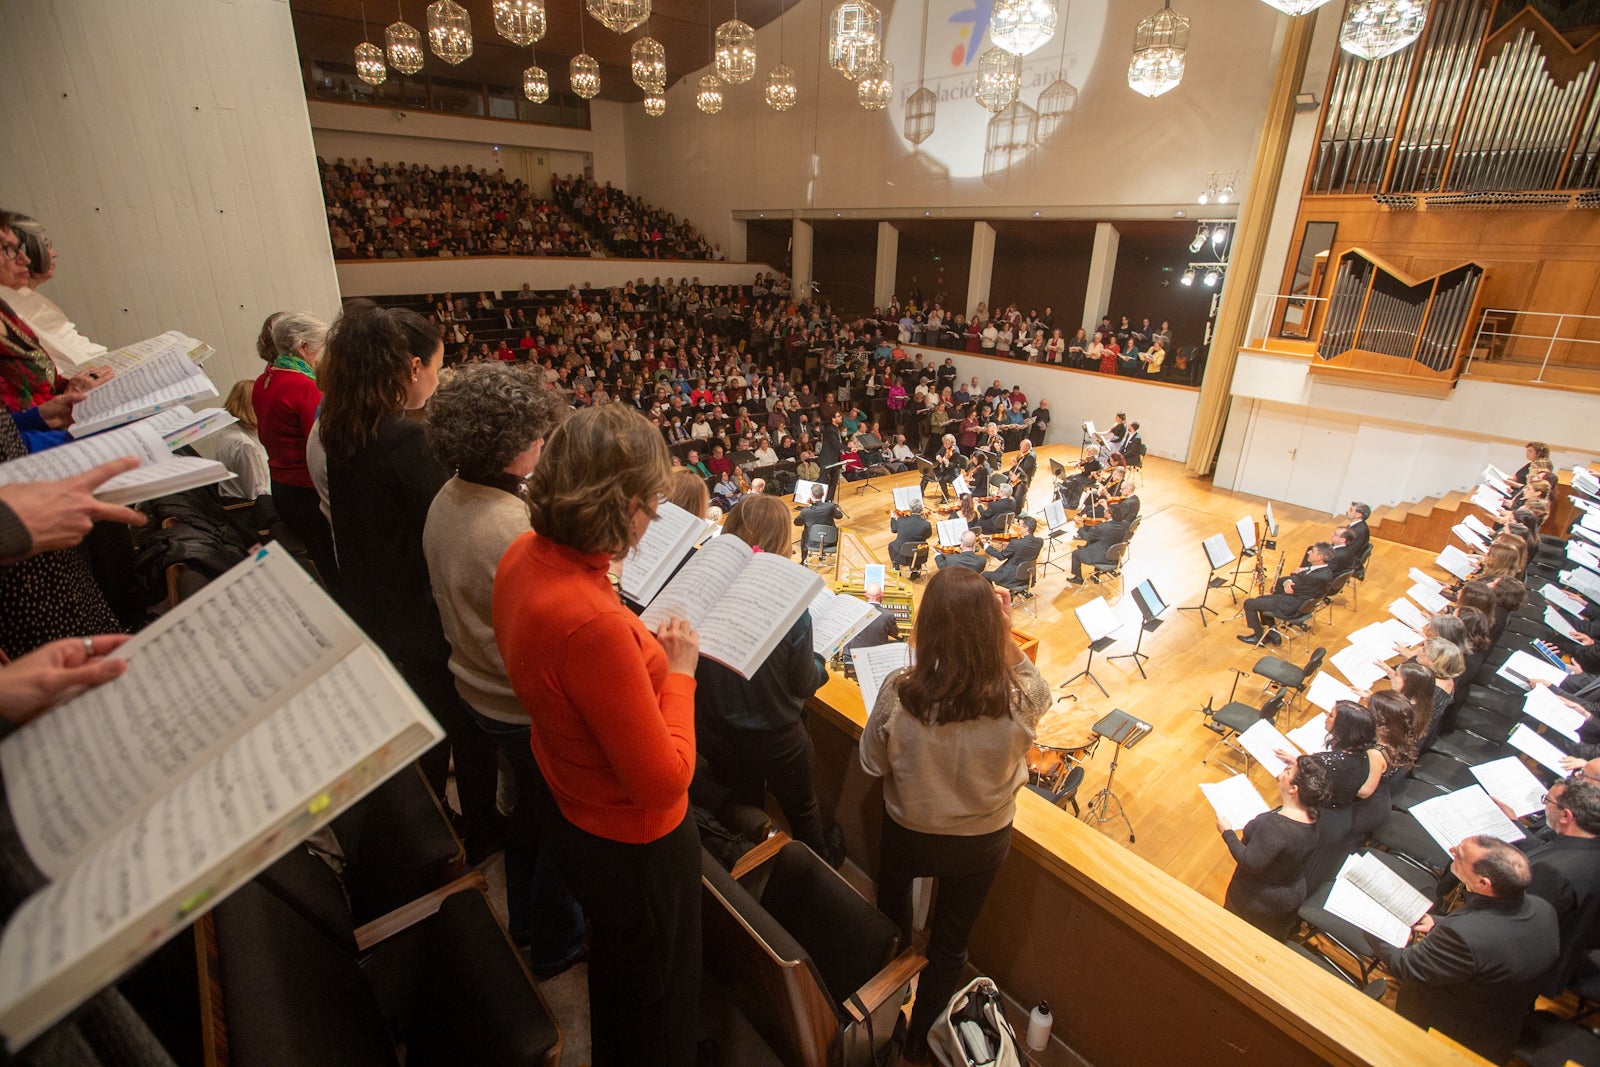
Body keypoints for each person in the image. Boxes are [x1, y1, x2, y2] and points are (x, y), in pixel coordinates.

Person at [495, 404, 703, 1067]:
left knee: (622, 967)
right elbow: (664, 777)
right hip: (635, 842)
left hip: (573, 809)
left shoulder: (524, 554)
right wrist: (679, 674)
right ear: (624, 507)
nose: (650, 523)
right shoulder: (590, 621)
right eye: (651, 506)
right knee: (661, 995)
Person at [318, 300, 501, 859]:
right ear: (409, 368)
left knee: (423, 722)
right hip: (416, 611)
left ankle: (431, 826)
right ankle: (474, 834)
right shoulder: (400, 438)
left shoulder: (342, 421)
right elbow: (447, 516)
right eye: (437, 368)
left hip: (372, 599)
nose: (437, 379)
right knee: (462, 725)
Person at [420, 362, 583, 977]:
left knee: (525, 819)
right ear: (512, 445)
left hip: (476, 689)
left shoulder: (449, 495)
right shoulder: (512, 526)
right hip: (517, 703)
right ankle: (558, 942)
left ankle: (523, 921)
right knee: (558, 834)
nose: (543, 445)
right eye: (537, 437)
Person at [858, 568, 1051, 1060]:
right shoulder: (1019, 699)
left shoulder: (901, 692)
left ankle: (891, 989)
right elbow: (1038, 685)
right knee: (950, 944)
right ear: (994, 628)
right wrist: (1004, 633)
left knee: (893, 905)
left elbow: (869, 763)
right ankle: (922, 1043)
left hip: (910, 831)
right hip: (983, 840)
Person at [697, 495, 838, 864]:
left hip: (716, 730)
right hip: (777, 740)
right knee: (803, 814)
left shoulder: (705, 586)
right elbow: (805, 682)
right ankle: (818, 882)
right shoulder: (790, 606)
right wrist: (821, 661)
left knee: (746, 812)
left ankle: (756, 872)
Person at [1373, 836, 1558, 1063]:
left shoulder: (1465, 935)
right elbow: (1495, 938)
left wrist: (1372, 924)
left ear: (1483, 883)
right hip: (1500, 1019)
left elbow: (1407, 967)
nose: (1451, 851)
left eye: (1460, 855)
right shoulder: (1543, 908)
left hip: (1446, 1030)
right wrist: (1439, 924)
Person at [254, 310, 340, 590]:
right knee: (332, 564)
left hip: (281, 487)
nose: (321, 356)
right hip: (307, 491)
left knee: (319, 558)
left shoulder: (264, 381)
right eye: (319, 348)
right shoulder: (303, 386)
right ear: (303, 347)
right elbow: (322, 445)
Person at [1217, 755, 1330, 937]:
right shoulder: (1312, 815)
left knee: (1233, 935)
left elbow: (1250, 862)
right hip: (1288, 891)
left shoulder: (1277, 827)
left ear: (1294, 788)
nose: (1282, 772)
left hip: (1257, 898)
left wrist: (1227, 833)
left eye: (1287, 771)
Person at [1238, 542, 1334, 644]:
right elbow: (1297, 581)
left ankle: (1258, 637)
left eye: (1313, 551)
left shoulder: (1314, 577)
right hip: (1300, 602)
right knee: (1260, 600)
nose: (1309, 552)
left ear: (1320, 557)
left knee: (1249, 603)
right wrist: (1292, 580)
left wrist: (1288, 582)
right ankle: (1273, 634)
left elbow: (1290, 588)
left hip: (1291, 606)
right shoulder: (1325, 572)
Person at [212, 379, 274, 524]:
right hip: (250, 514)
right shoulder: (245, 444)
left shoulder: (228, 433)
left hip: (237, 508)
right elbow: (257, 493)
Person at [1068, 500, 1133, 584]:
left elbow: (1087, 537)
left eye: (1106, 510)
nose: (1104, 511)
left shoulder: (1103, 527)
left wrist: (1080, 527)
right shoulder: (1125, 525)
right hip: (1116, 556)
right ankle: (1096, 574)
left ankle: (1078, 578)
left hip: (1103, 557)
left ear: (1110, 515)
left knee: (1076, 553)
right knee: (1092, 544)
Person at [984, 514, 1042, 591]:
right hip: (1028, 575)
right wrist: (1010, 545)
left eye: (1020, 525)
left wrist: (986, 546)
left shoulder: (1016, 543)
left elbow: (1001, 556)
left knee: (984, 575)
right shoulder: (1040, 541)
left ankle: (992, 596)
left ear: (1026, 528)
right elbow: (1024, 548)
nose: (1019, 527)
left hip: (1012, 578)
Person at [794, 481, 842, 563]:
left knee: (804, 532)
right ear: (823, 494)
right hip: (830, 542)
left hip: (811, 542)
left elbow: (797, 523)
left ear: (811, 495)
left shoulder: (805, 511)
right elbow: (839, 516)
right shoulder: (830, 507)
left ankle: (803, 560)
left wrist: (810, 506)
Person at [888, 500, 933, 575]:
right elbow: (928, 536)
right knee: (918, 545)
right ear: (921, 509)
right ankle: (916, 570)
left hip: (901, 556)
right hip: (919, 555)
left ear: (909, 509)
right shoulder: (926, 524)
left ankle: (896, 567)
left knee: (891, 545)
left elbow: (894, 530)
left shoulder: (901, 520)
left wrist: (893, 518)